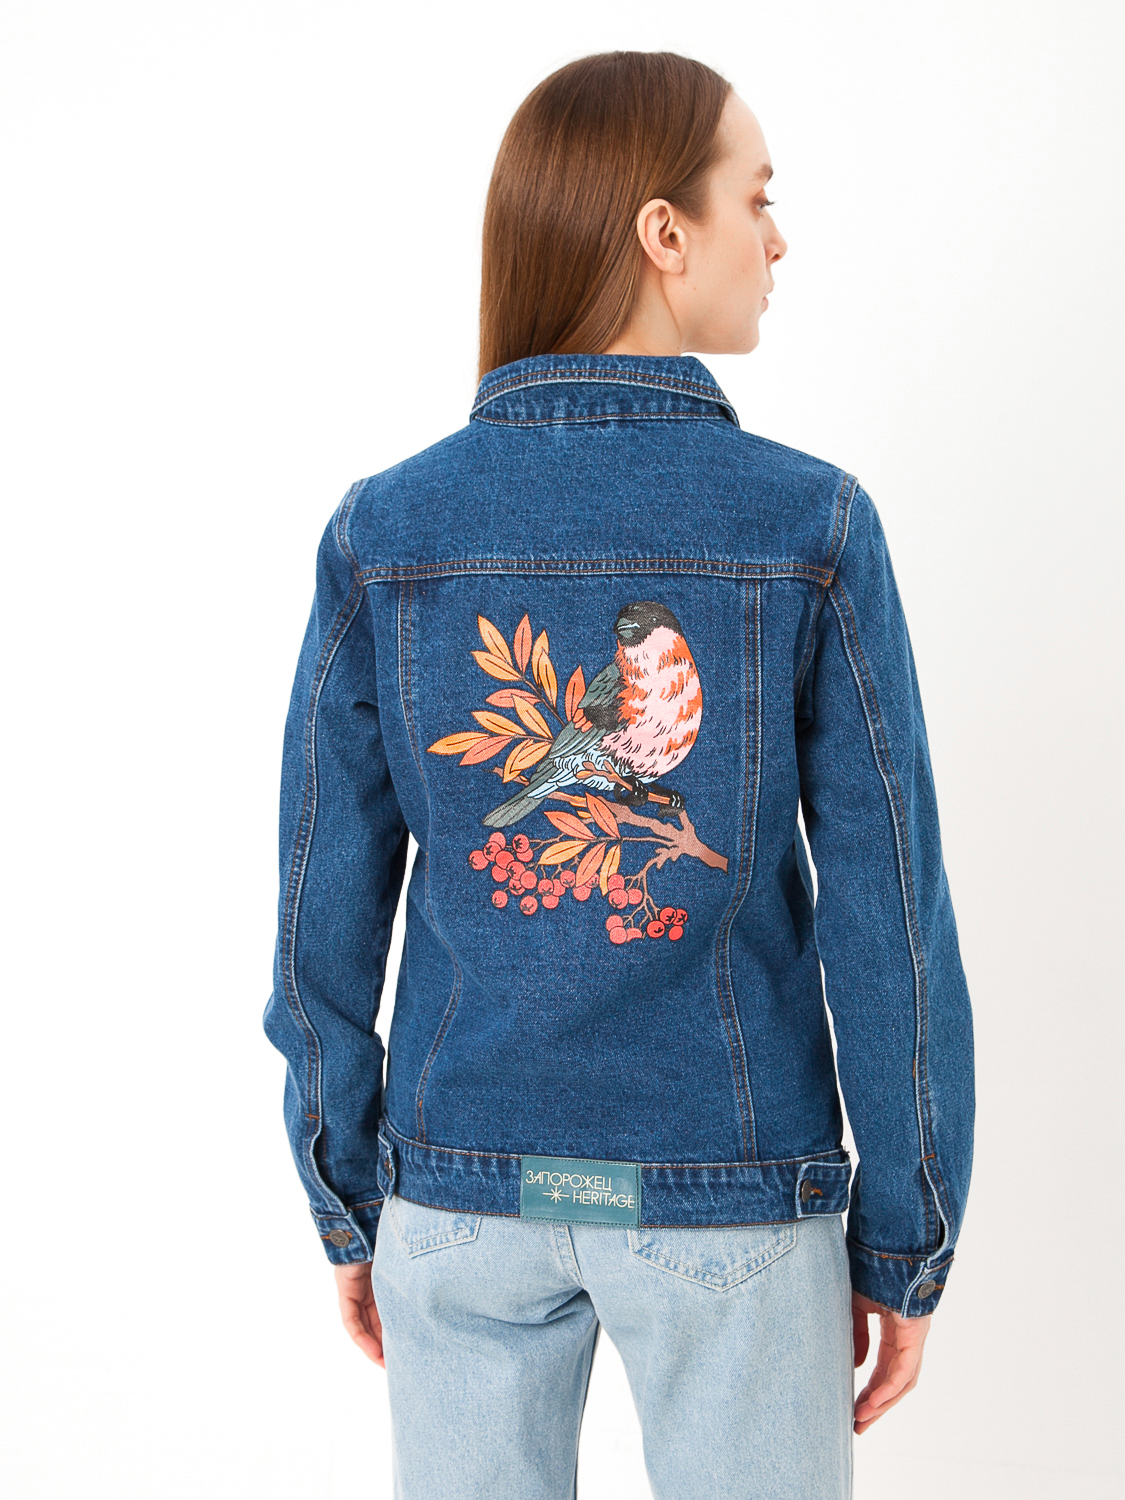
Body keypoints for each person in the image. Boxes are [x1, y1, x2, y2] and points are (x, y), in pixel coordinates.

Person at [264, 50, 974, 1500]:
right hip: (734, 1193)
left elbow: (316, 905)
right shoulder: (810, 525)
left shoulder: (387, 531)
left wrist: (352, 1196)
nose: (777, 239)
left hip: (459, 1193)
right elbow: (889, 912)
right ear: (664, 232)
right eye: (755, 199)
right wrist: (906, 1230)